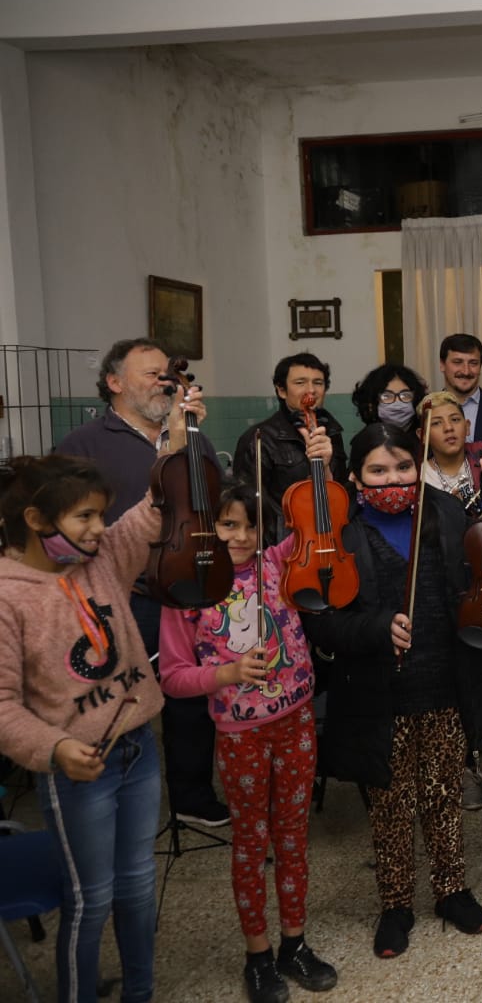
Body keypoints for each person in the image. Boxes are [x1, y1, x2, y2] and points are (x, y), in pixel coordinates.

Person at [0, 377, 200, 1003]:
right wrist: (55, 749)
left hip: (138, 750)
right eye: (83, 516)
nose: (96, 528)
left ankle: (139, 992)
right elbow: (3, 705)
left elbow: (150, 511)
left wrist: (169, 450)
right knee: (92, 899)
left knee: (138, 885)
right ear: (35, 520)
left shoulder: (101, 556)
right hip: (79, 769)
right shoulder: (9, 596)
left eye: (98, 515)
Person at [300, 423, 482, 958]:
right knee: (389, 804)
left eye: (404, 468)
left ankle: (453, 890)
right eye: (378, 471)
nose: (394, 480)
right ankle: (396, 903)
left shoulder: (449, 513)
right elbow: (320, 621)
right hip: (376, 695)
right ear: (355, 476)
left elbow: (475, 585)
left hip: (445, 684)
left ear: (419, 465)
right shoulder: (339, 530)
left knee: (443, 796)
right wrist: (374, 627)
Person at [158, 468, 338, 1003]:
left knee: (292, 837)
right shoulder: (188, 584)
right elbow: (172, 676)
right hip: (241, 733)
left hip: (296, 719)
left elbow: (320, 523)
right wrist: (227, 675)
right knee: (251, 842)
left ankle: (294, 943)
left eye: (247, 526)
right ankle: (257, 953)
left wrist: (319, 461)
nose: (237, 537)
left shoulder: (277, 562)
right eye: (225, 526)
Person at [56, 337, 229, 829]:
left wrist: (190, 437)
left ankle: (192, 795)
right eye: (152, 374)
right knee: (117, 698)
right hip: (125, 593)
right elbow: (67, 524)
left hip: (189, 582)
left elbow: (211, 495)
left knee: (189, 696)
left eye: (167, 375)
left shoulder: (188, 432)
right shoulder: (84, 443)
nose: (165, 382)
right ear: (114, 383)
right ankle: (109, 799)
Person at [232, 352, 348, 545]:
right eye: (300, 383)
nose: (311, 390)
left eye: (318, 383)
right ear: (281, 390)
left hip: (328, 536)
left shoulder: (331, 433)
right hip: (281, 545)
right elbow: (249, 504)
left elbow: (340, 492)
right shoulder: (258, 438)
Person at [417, 391, 482, 517]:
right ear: (423, 435)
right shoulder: (419, 477)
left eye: (455, 419)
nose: (448, 428)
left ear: (467, 427)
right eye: (436, 423)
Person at [351, 363, 428, 435]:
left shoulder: (426, 439)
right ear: (371, 404)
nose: (397, 403)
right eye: (387, 396)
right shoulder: (364, 443)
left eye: (405, 395)